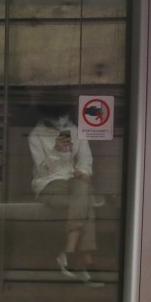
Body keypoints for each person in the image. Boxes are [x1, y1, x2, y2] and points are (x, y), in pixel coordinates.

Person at [28, 104, 102, 287]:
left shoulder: (75, 131)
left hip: (73, 181)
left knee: (82, 187)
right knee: (87, 203)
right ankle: (85, 261)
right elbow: (42, 171)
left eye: (64, 115)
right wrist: (55, 151)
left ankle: (69, 251)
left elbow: (86, 161)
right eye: (58, 115)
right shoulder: (36, 135)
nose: (62, 119)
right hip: (49, 184)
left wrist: (82, 171)